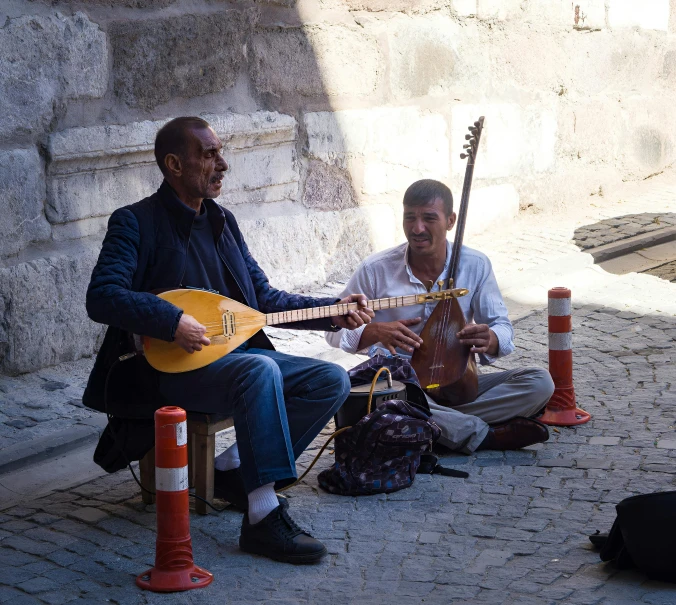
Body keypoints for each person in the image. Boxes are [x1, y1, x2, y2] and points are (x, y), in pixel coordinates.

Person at [84, 116, 373, 564]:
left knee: (330, 380)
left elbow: (262, 299)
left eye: (220, 152)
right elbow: (103, 295)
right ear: (174, 164)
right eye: (210, 154)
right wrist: (169, 319)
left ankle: (235, 473)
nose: (223, 164)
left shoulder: (222, 222)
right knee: (258, 369)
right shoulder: (135, 222)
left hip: (231, 362)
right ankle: (262, 516)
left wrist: (333, 311)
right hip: (166, 370)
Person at [326, 179, 554, 453]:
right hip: (402, 383)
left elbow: (502, 327)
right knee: (380, 397)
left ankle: (432, 427)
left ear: (450, 221)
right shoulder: (375, 270)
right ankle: (484, 435)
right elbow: (332, 330)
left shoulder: (475, 264)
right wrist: (375, 331)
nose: (417, 228)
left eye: (429, 218)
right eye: (410, 217)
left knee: (540, 383)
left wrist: (490, 338)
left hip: (457, 382)